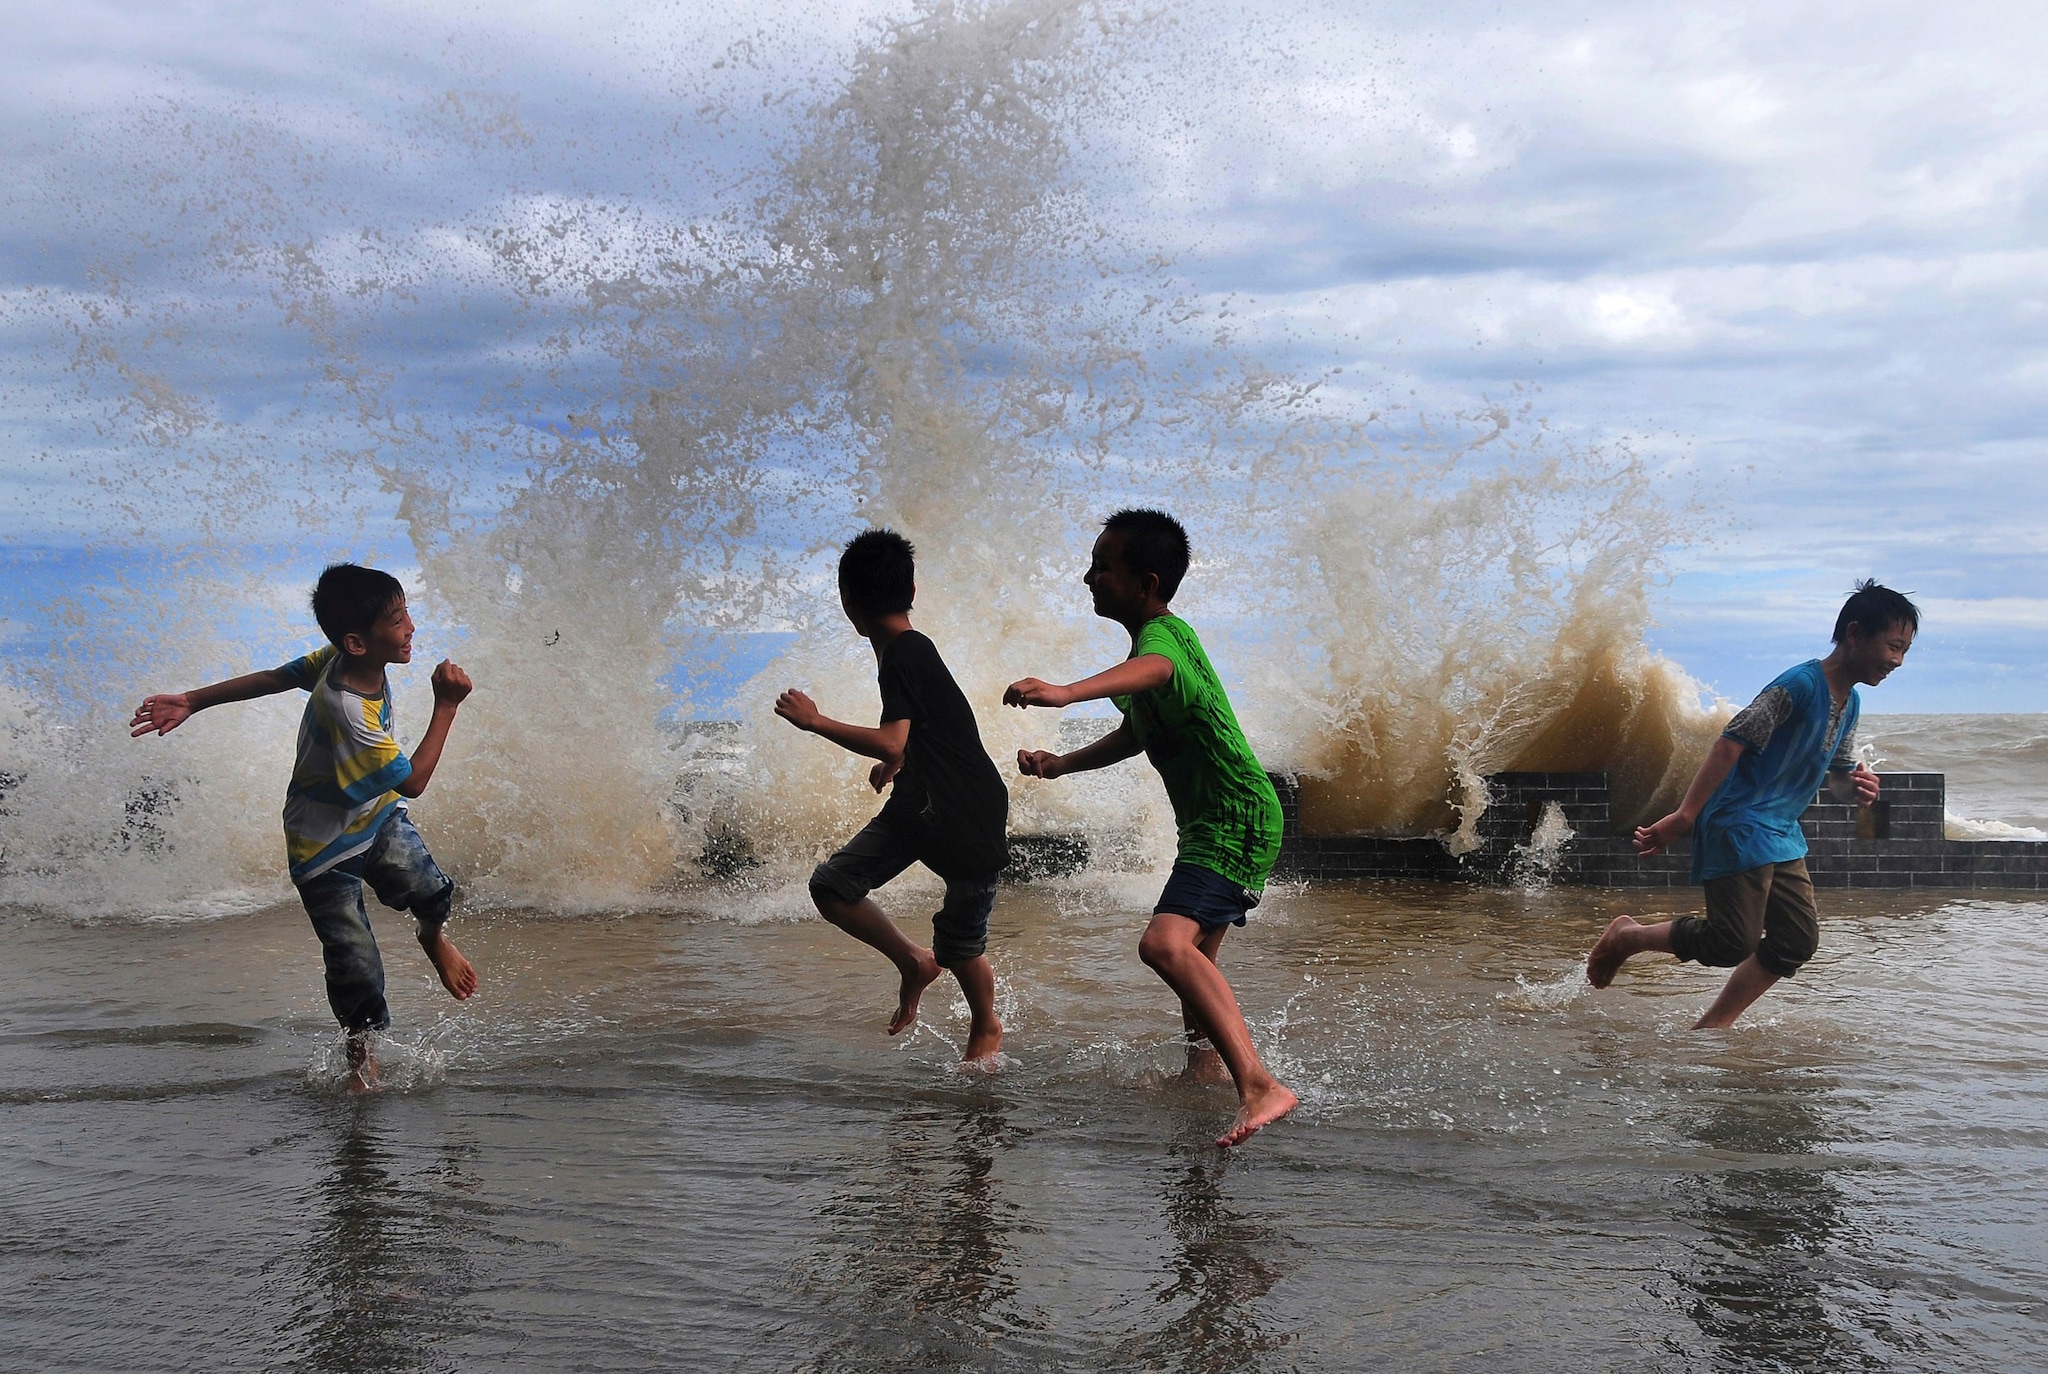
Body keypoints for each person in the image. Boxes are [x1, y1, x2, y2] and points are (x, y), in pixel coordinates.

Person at [1004, 508, 1297, 1148]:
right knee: (1197, 956)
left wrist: (1062, 693)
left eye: (1103, 567)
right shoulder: (1150, 645)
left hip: (1234, 818)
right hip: (1217, 821)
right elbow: (1140, 731)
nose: (1088, 577)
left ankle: (1259, 1084)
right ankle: (1205, 1074)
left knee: (1164, 946)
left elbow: (1157, 674)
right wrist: (1062, 765)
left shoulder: (1163, 642)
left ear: (1147, 583)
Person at [130, 563, 478, 1091]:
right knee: (353, 959)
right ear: (358, 643)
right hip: (320, 845)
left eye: (406, 611)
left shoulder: (338, 659)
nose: (411, 627)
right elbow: (414, 783)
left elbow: (274, 678)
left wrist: (193, 699)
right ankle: (362, 1064)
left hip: (373, 815)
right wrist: (447, 706)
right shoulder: (347, 708)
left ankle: (432, 938)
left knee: (431, 891)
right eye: (398, 619)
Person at [1587, 580, 1920, 1027]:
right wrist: (1685, 815)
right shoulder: (1798, 686)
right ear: (1856, 634)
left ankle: (1713, 1025)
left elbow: (1836, 776)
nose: (1897, 661)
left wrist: (1855, 788)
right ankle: (1628, 937)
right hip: (1739, 824)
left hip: (1781, 833)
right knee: (1730, 943)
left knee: (1796, 941)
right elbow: (1730, 744)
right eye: (1893, 646)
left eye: (1905, 651)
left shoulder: (1852, 701)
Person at [775, 529, 1010, 1063]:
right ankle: (913, 962)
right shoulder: (904, 649)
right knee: (834, 884)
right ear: (912, 591)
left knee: (959, 941)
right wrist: (897, 761)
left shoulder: (906, 650)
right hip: (924, 800)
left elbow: (892, 735)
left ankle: (986, 1026)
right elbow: (924, 729)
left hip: (966, 810)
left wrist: (815, 722)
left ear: (846, 600)